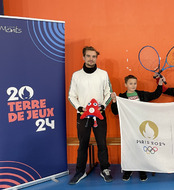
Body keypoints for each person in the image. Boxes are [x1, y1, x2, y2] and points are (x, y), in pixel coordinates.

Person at [68, 46, 113, 184]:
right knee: (83, 144)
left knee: (102, 143)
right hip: (82, 116)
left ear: (96, 58)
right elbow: (71, 96)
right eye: (88, 56)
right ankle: (80, 172)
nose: (91, 59)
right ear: (83, 57)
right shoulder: (76, 75)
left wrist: (103, 106)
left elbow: (109, 94)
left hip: (99, 115)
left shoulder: (103, 74)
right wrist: (80, 108)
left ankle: (105, 170)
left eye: (94, 56)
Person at [111, 74, 165, 181]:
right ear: (125, 84)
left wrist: (160, 84)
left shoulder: (141, 94)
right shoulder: (122, 97)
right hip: (129, 128)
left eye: (135, 83)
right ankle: (128, 170)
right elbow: (115, 111)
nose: (133, 85)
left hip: (142, 128)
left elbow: (155, 95)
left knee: (142, 148)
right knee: (129, 149)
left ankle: (142, 170)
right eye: (130, 83)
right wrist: (114, 101)